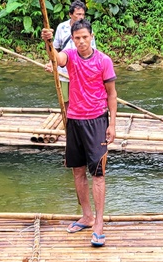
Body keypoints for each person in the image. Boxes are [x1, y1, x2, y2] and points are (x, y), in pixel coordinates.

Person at [42, 18, 116, 247]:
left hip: (96, 122)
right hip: (74, 119)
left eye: (85, 37)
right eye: (77, 38)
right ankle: (86, 215)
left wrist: (112, 124)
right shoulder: (71, 56)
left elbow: (112, 94)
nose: (82, 41)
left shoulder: (104, 61)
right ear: (72, 40)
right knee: (77, 172)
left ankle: (99, 223)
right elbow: (57, 59)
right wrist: (48, 43)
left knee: (98, 174)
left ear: (92, 36)